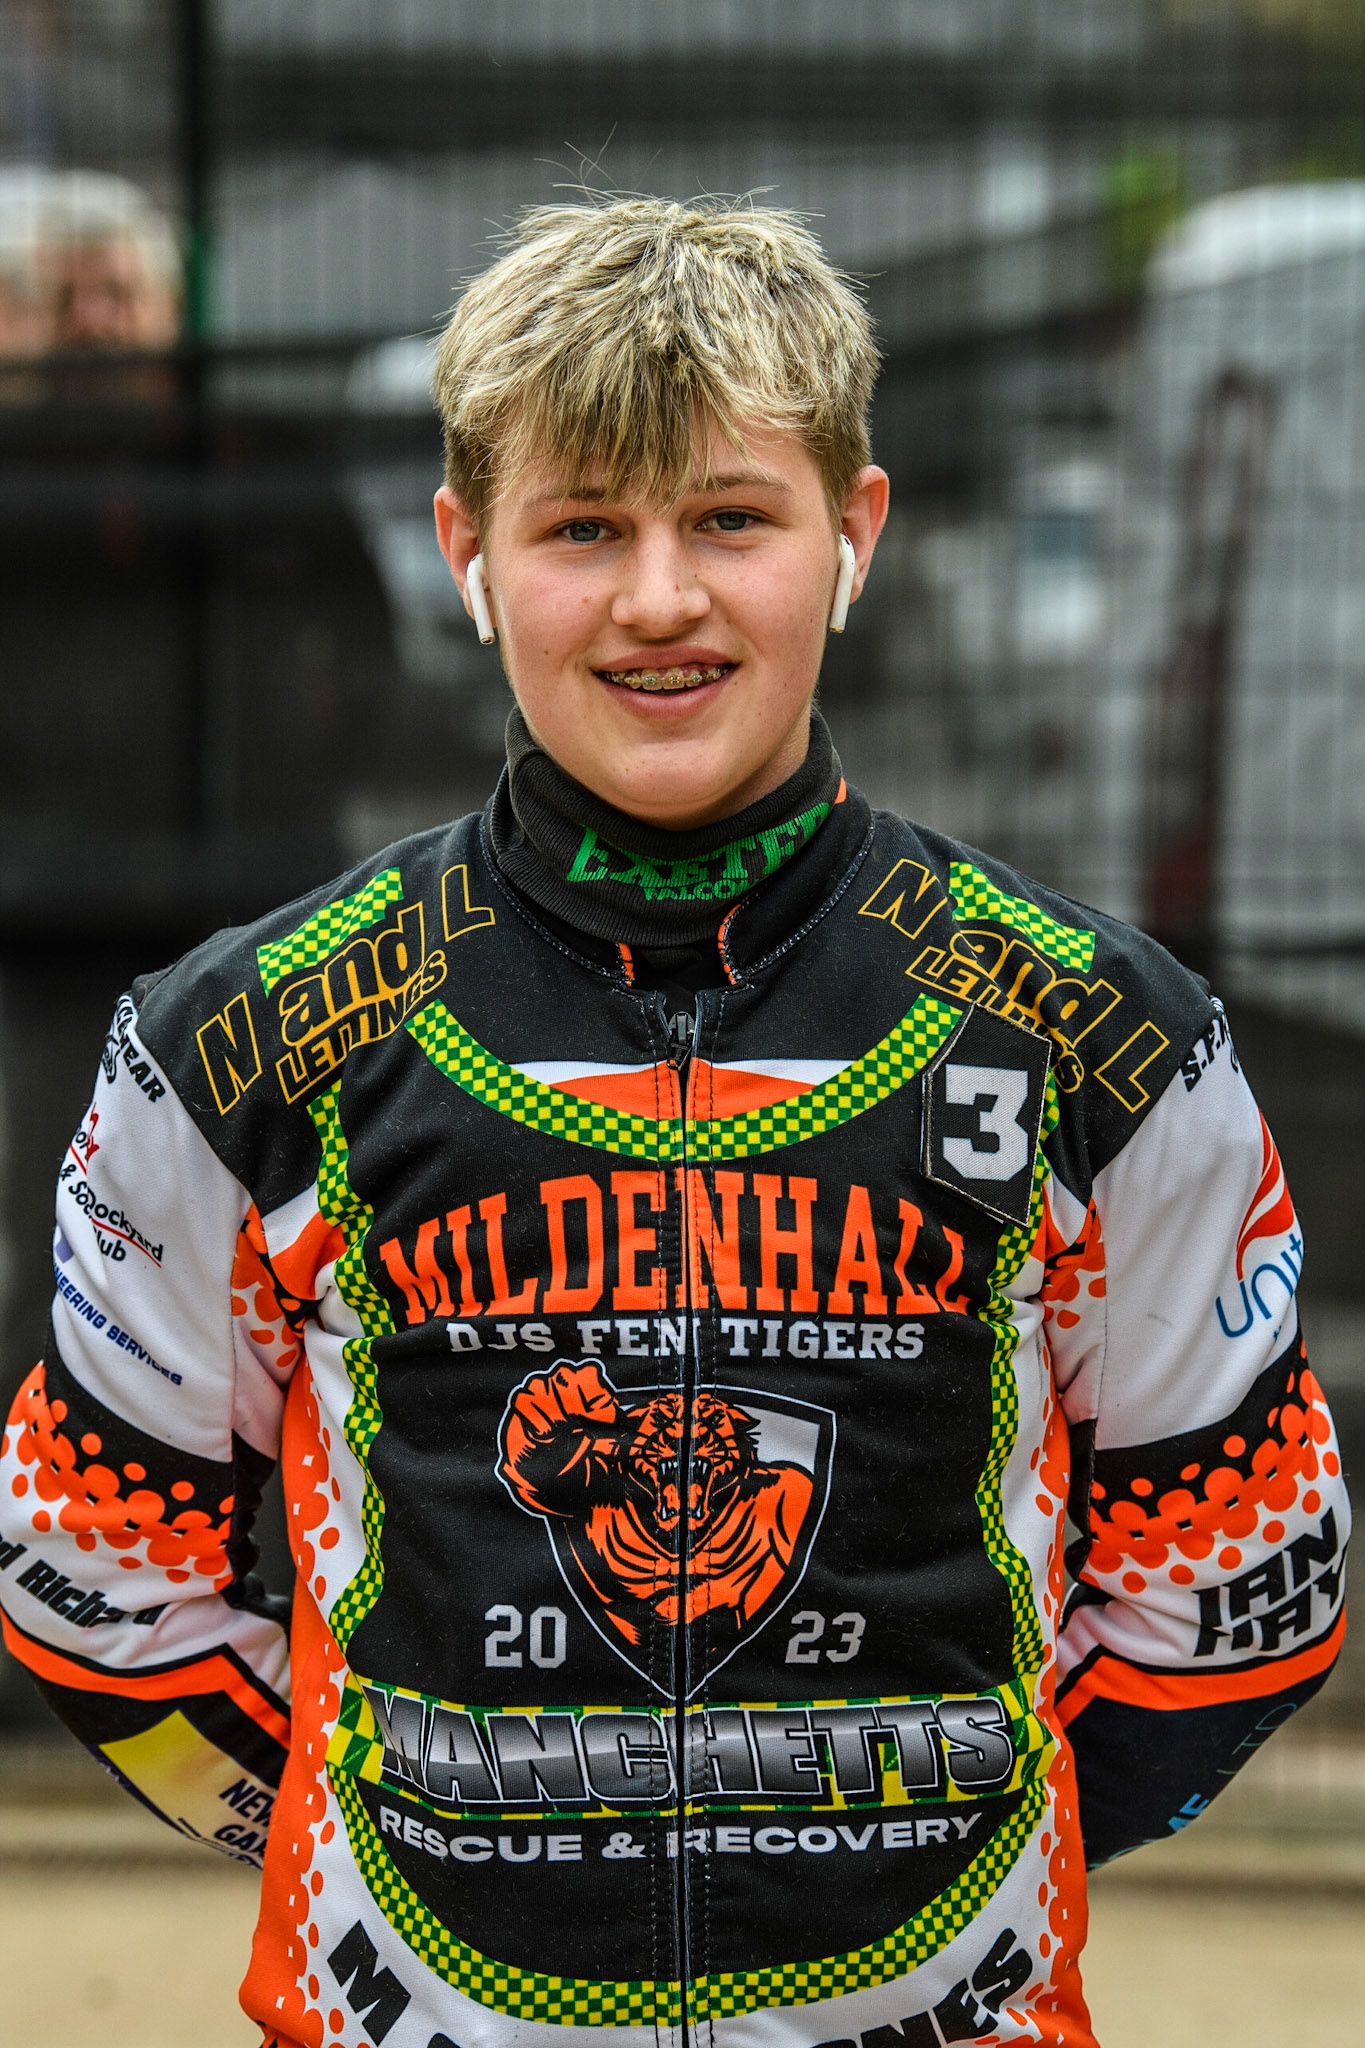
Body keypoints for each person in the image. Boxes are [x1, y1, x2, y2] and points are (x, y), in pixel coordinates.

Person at [0, 199, 1347, 2048]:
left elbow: (1239, 1590)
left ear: (850, 536)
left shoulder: (1102, 1039)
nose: (658, 599)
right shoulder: (240, 1049)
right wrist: (346, 1844)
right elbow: (94, 1591)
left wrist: (980, 1881)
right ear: (469, 553)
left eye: (729, 516)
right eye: (582, 529)